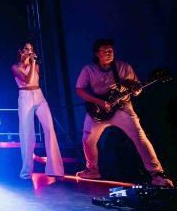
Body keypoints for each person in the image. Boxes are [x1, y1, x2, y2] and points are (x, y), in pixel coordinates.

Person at [75, 38, 173, 187]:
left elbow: (137, 90)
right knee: (87, 140)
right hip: (98, 110)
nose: (109, 53)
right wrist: (99, 102)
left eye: (111, 50)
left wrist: (136, 89)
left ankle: (157, 174)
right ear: (97, 53)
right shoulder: (88, 69)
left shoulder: (123, 67)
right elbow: (79, 90)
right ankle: (92, 170)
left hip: (121, 108)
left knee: (139, 137)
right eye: (105, 51)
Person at [11, 43, 64, 180]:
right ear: (21, 51)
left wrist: (33, 63)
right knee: (27, 134)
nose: (29, 51)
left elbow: (34, 80)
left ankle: (55, 170)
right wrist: (32, 63)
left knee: (49, 129)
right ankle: (26, 172)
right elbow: (27, 80)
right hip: (25, 97)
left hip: (39, 95)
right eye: (27, 49)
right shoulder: (15, 67)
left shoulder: (35, 65)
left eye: (31, 49)